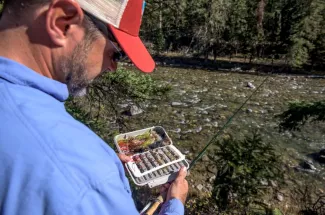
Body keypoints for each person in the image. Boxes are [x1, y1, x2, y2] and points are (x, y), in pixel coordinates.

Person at [0, 0, 188, 214]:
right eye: (116, 53)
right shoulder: (86, 177)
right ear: (62, 23)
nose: (113, 67)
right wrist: (174, 204)